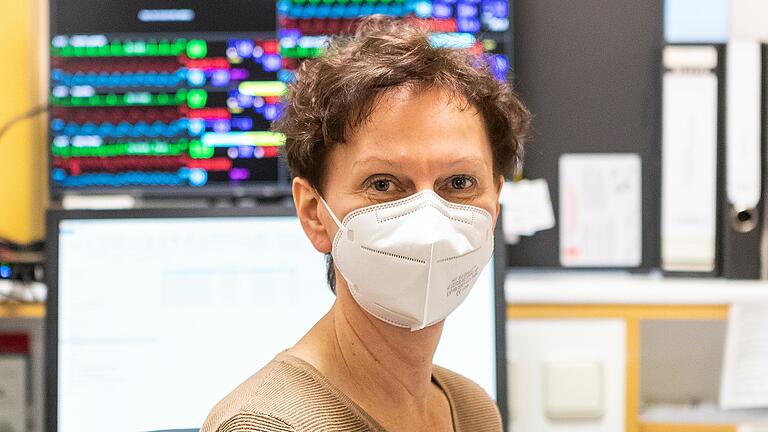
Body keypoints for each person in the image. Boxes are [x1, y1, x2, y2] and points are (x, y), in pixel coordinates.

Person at [202, 16, 530, 432]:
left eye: (460, 182)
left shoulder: (471, 409)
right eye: (383, 183)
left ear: (495, 204)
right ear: (313, 213)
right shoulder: (267, 424)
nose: (428, 219)